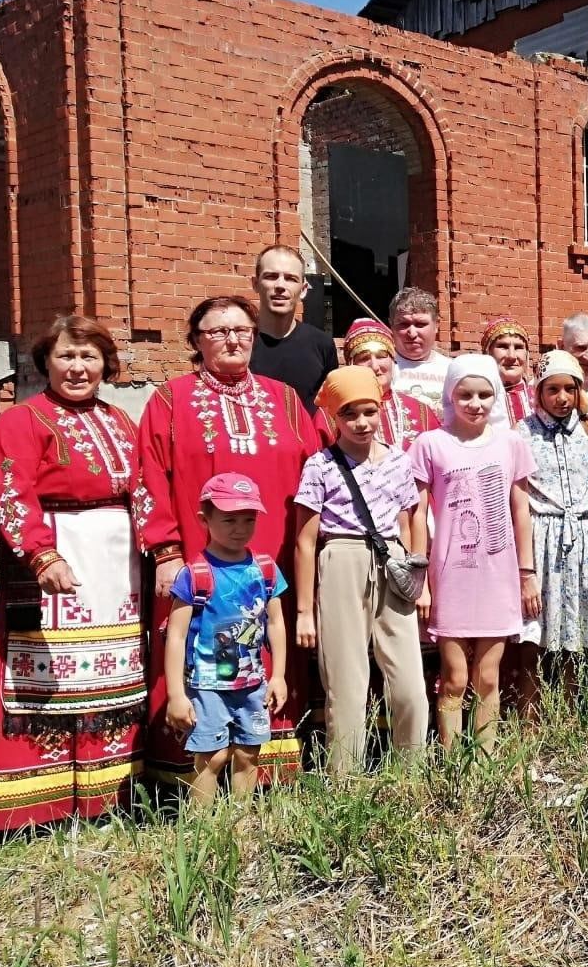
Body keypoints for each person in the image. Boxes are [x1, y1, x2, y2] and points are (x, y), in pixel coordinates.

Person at [0, 317, 149, 833]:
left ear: (105, 364)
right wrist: (42, 556)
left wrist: (162, 547)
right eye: (67, 356)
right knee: (50, 680)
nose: (78, 367)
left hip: (116, 565)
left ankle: (103, 798)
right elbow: (13, 496)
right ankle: (33, 805)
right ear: (46, 360)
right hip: (56, 558)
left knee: (109, 679)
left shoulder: (118, 420)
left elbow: (142, 488)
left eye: (89, 357)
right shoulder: (20, 422)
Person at [138, 296, 316, 786]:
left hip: (271, 562)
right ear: (196, 341)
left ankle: (268, 771)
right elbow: (149, 476)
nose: (233, 339)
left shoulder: (284, 399)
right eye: (217, 332)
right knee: (196, 653)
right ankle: (190, 775)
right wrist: (166, 552)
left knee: (273, 650)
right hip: (199, 568)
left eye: (242, 329)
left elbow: (316, 475)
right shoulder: (169, 399)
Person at [294, 367, 428, 776]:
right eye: (350, 414)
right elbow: (304, 539)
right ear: (335, 417)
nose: (362, 422)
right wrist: (304, 610)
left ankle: (412, 774)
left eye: (369, 411)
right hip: (341, 559)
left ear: (381, 409)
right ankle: (344, 781)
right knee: (346, 680)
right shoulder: (320, 465)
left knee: (409, 684)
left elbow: (409, 523)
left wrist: (417, 578)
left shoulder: (399, 462)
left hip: (391, 561)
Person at [408, 355, 537, 752]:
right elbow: (416, 512)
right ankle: (451, 765)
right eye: (465, 394)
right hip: (450, 576)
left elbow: (521, 510)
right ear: (450, 395)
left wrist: (526, 572)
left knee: (488, 678)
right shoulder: (430, 444)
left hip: (497, 576)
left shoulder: (511, 443)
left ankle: (485, 763)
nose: (475, 403)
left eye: (484, 394)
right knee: (454, 679)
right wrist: (421, 575)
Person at [161, 473, 289, 806]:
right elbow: (175, 636)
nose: (240, 528)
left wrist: (278, 676)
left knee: (248, 753)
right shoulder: (195, 574)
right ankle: (203, 830)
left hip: (252, 683)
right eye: (229, 519)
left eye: (249, 519)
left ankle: (240, 824)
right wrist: (176, 694)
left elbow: (275, 623)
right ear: (205, 519)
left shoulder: (265, 570)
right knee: (212, 757)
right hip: (207, 685)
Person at [517, 350, 588, 711]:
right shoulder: (522, 432)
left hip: (580, 536)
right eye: (552, 390)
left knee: (574, 629)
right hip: (541, 535)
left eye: (569, 389)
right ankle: (529, 713)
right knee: (535, 632)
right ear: (540, 392)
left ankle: (569, 709)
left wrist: (585, 522)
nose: (561, 398)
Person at [314, 319, 438, 452]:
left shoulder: (421, 411)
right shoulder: (331, 414)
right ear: (351, 364)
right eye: (364, 358)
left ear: (392, 360)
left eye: (381, 356)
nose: (374, 366)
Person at [247, 245, 338, 409]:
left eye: (290, 278)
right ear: (255, 284)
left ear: (303, 290)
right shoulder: (240, 343)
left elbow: (329, 410)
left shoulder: (322, 344)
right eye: (271, 276)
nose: (280, 285)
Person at [389, 286, 452, 414]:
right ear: (391, 326)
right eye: (403, 324)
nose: (412, 333)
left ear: (436, 326)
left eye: (420, 324)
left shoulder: (452, 369)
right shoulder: (381, 369)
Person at [482, 315, 536, 430]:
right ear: (488, 352)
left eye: (518, 347)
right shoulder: (477, 400)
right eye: (503, 346)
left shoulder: (540, 397)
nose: (511, 356)